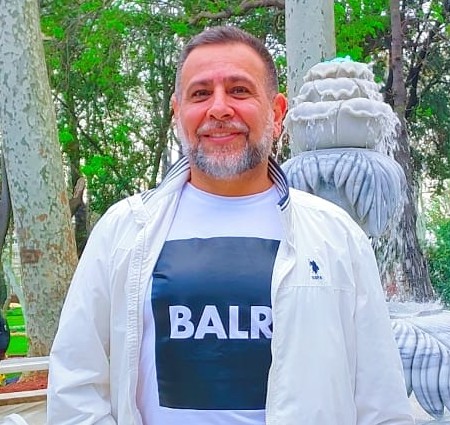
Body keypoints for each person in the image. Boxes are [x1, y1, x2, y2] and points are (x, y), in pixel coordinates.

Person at [47, 26, 414, 425]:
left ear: (276, 113)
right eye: (200, 94)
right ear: (177, 113)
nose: (219, 109)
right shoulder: (123, 230)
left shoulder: (337, 235)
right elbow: (76, 384)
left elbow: (380, 399)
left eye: (239, 90)